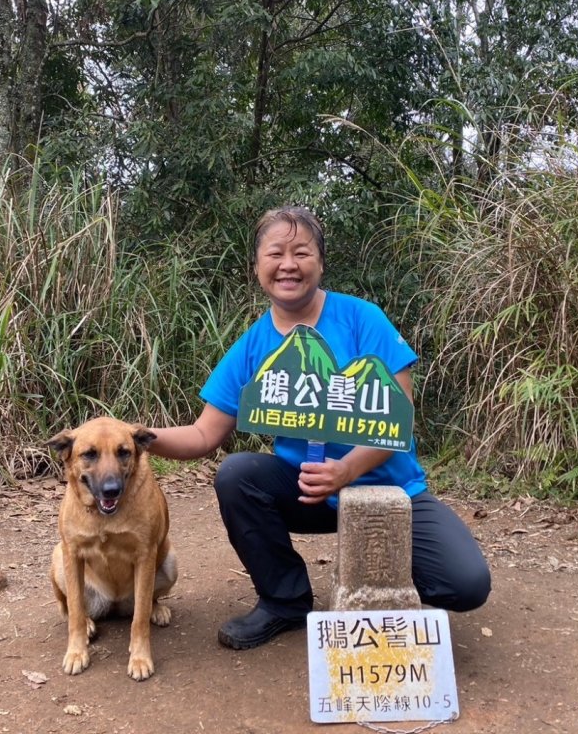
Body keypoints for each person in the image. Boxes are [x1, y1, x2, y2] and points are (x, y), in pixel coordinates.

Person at [149, 206, 491, 650]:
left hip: (389, 491)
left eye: (301, 252)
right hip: (306, 491)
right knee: (237, 474)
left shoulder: (362, 319)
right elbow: (202, 435)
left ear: (320, 263)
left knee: (466, 585)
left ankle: (380, 574)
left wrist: (346, 470)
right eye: (275, 253)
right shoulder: (254, 343)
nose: (287, 264)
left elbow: (399, 417)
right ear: (257, 267)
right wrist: (135, 436)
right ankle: (284, 602)